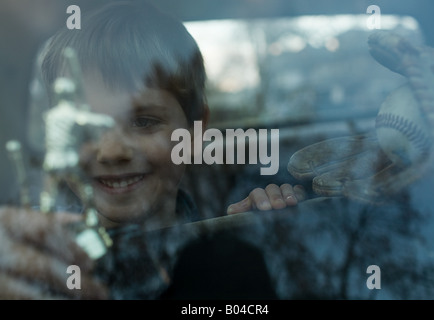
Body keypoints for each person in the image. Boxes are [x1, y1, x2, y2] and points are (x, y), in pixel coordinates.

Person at [0, 0, 302, 299]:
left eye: (143, 121)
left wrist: (259, 234)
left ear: (195, 130)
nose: (111, 151)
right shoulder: (36, 260)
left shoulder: (229, 248)